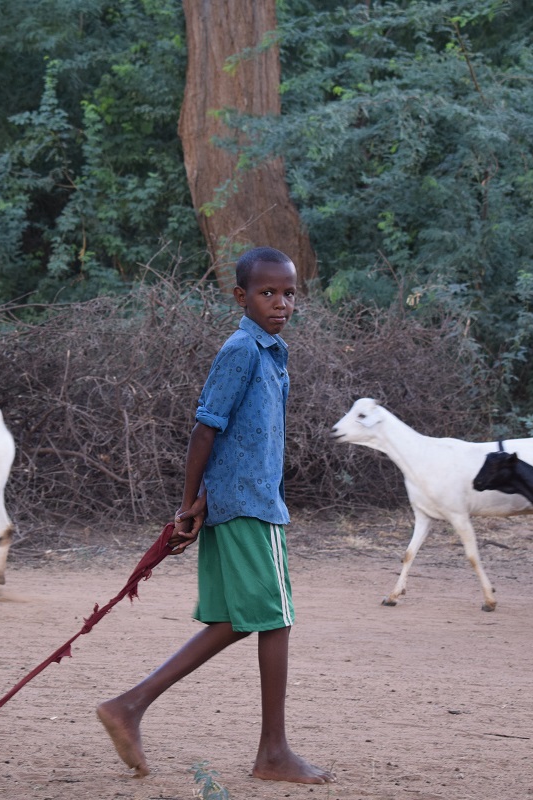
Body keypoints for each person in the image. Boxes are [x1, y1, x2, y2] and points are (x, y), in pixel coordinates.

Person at [96, 246, 335, 785]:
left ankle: (129, 706)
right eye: (266, 293)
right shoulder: (242, 349)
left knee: (237, 620)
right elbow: (206, 428)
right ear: (240, 297)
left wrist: (209, 494)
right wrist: (188, 502)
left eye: (289, 293)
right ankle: (273, 752)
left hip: (243, 499)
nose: (280, 303)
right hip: (251, 508)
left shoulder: (273, 351)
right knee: (275, 618)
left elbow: (238, 437)